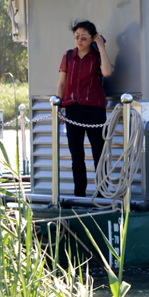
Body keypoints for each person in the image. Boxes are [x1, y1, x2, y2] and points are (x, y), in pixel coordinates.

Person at [56, 20, 113, 197]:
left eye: (84, 38)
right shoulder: (68, 56)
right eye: (77, 37)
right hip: (72, 109)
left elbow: (107, 72)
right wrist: (58, 106)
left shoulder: (97, 55)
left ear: (92, 39)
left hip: (95, 109)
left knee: (99, 153)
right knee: (76, 155)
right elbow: (62, 83)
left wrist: (101, 47)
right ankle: (79, 194)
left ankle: (103, 193)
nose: (79, 41)